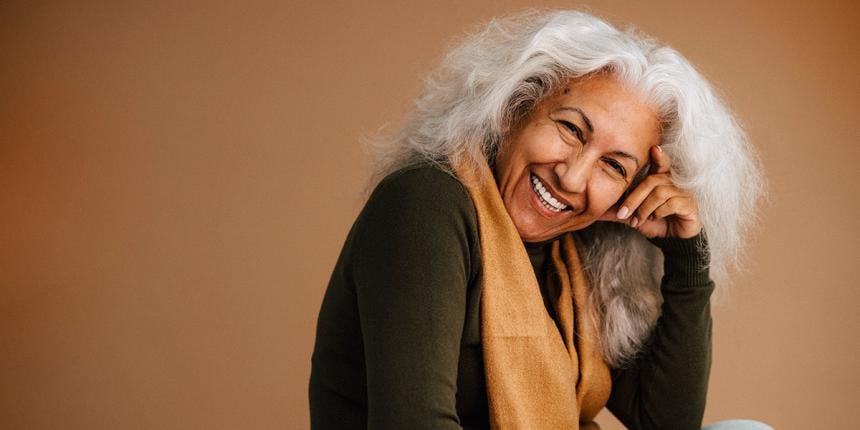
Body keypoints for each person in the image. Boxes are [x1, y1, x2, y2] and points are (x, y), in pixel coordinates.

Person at [309, 10, 770, 430]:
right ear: (515, 109)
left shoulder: (579, 254)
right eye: (571, 129)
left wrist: (686, 256)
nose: (573, 176)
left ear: (633, 189)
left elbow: (666, 422)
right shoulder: (425, 203)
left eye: (614, 166)